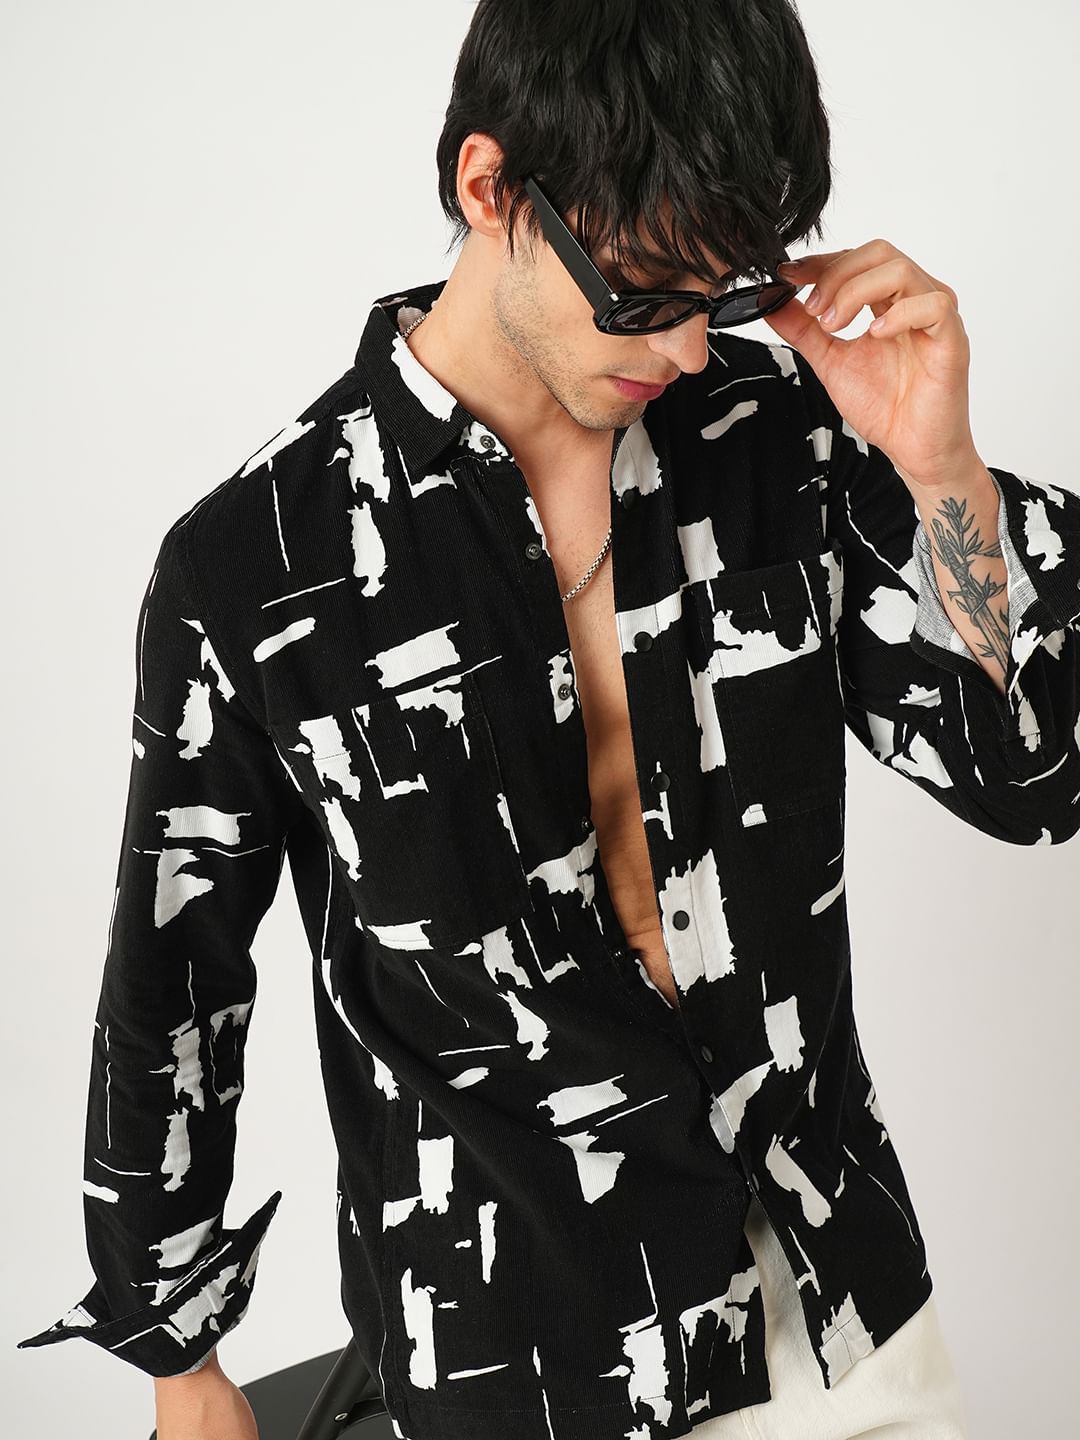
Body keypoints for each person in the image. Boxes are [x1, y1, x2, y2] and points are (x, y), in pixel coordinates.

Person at [17, 3, 1080, 1438]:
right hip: (520, 1368)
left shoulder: (778, 437)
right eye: (644, 292)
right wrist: (181, 1362)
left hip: (844, 1312)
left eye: (723, 293)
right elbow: (172, 983)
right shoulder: (258, 568)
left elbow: (1033, 779)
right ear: (490, 186)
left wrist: (947, 475)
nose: (690, 348)